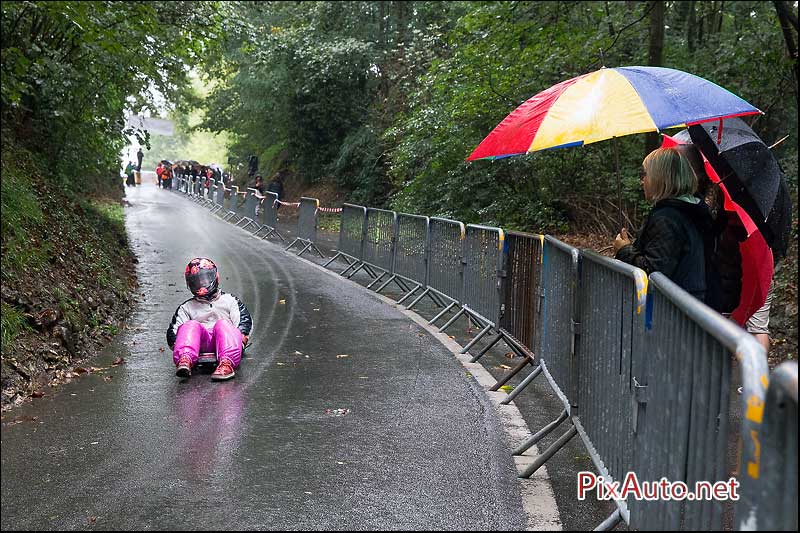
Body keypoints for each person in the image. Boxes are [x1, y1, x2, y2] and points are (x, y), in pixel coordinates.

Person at [613, 147, 712, 302]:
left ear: (659, 177)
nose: (641, 181)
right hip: (689, 304)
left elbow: (654, 272)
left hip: (673, 310)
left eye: (644, 174)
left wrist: (624, 250)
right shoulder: (691, 210)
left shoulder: (667, 218)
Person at [166, 258, 253, 381]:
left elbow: (244, 322)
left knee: (223, 324)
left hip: (227, 342)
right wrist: (176, 343)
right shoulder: (187, 307)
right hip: (200, 344)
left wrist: (242, 339)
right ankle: (185, 358)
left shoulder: (230, 300)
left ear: (215, 277)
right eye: (197, 282)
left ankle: (227, 363)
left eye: (206, 279)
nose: (202, 285)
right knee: (191, 325)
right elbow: (174, 331)